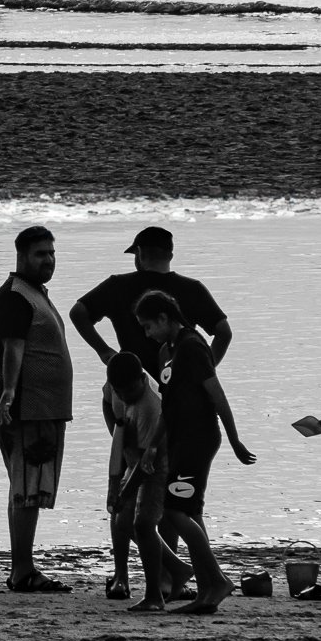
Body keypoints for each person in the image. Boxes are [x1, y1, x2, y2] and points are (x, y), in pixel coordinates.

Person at [139, 290, 256, 615]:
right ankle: (208, 588)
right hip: (179, 440)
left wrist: (235, 440)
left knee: (176, 511)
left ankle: (215, 582)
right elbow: (168, 405)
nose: (148, 334)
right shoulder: (168, 351)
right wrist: (152, 445)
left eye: (149, 326)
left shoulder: (192, 345)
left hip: (198, 439)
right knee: (189, 511)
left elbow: (216, 394)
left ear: (164, 318)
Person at [0, 225, 75, 593]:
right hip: (28, 408)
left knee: (23, 490)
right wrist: (9, 392)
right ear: (22, 256)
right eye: (41, 254)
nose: (48, 260)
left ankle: (21, 569)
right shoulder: (16, 296)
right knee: (26, 491)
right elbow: (13, 348)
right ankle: (23, 571)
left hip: (41, 408)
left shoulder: (34, 294)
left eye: (52, 253)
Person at [70, 226, 233, 374]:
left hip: (132, 381)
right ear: (170, 256)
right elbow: (224, 332)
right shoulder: (193, 288)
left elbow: (78, 312)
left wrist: (104, 351)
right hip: (178, 383)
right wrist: (205, 368)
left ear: (140, 253)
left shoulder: (117, 285)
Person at [101, 352, 193, 608]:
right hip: (136, 458)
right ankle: (178, 568)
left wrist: (122, 493)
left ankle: (154, 595)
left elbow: (145, 466)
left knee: (142, 523)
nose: (124, 397)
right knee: (123, 521)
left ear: (142, 379)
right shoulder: (115, 387)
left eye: (130, 391)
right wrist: (115, 430)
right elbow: (107, 402)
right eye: (120, 392)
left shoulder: (151, 406)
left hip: (160, 462)